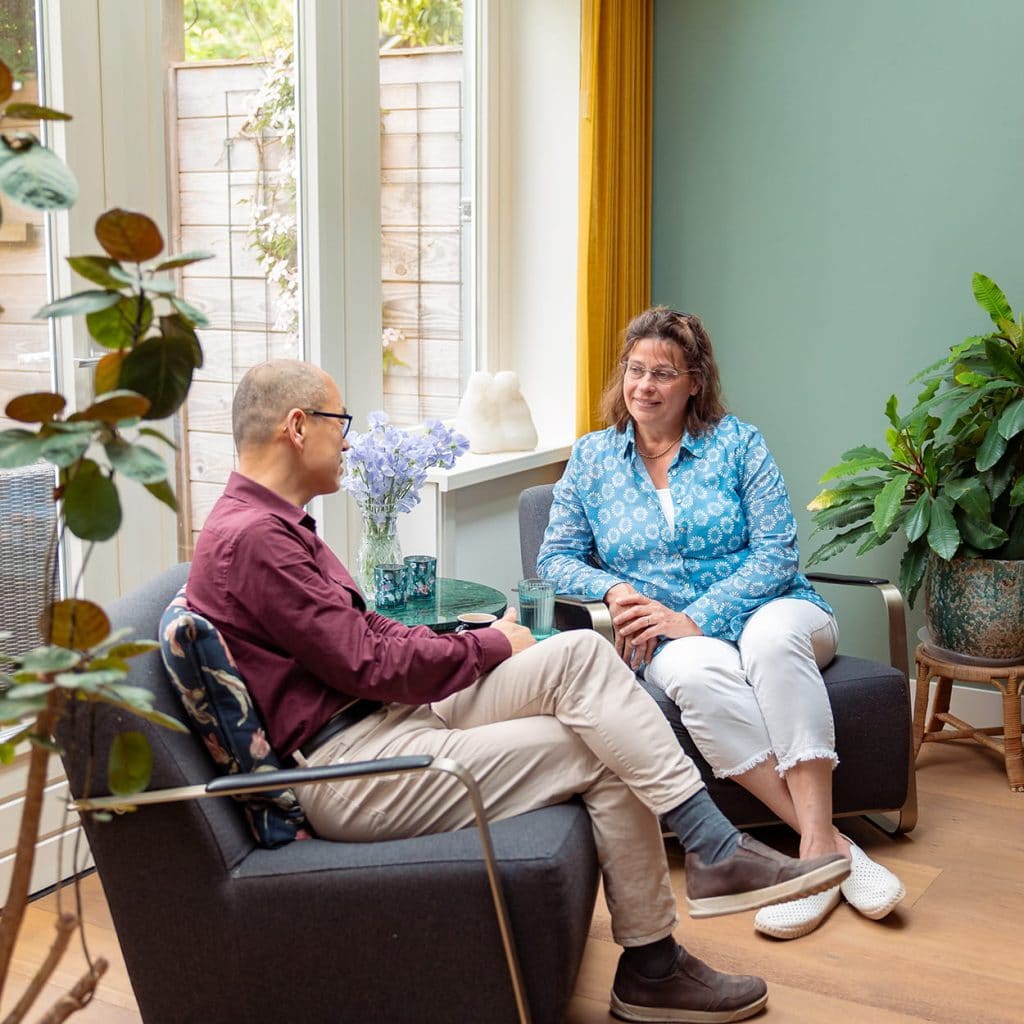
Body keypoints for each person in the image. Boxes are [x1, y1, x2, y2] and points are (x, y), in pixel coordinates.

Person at [187, 358, 850, 1022]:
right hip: (354, 768)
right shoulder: (253, 541)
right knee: (607, 745)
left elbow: (366, 633)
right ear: (298, 428)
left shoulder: (277, 524)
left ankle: (708, 854)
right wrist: (493, 646)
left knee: (583, 656)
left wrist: (471, 638)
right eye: (340, 422)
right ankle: (659, 954)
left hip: (389, 717)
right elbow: (365, 662)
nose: (350, 439)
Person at [537, 307, 905, 941]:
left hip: (774, 606)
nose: (644, 386)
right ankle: (830, 846)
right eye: (635, 370)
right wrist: (614, 587)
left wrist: (698, 616)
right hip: (666, 637)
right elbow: (554, 557)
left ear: (695, 382)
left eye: (663, 373)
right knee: (695, 675)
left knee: (769, 641)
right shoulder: (593, 458)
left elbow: (777, 553)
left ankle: (813, 853)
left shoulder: (739, 443)